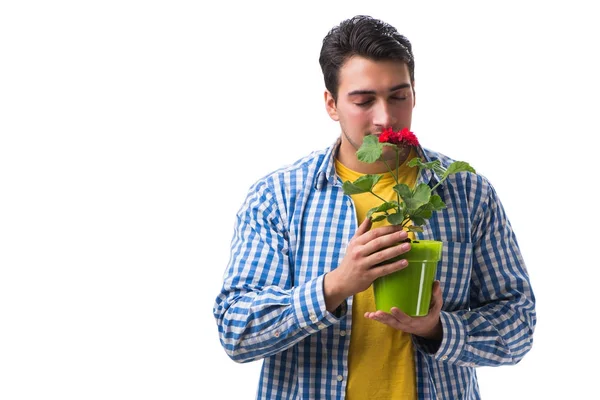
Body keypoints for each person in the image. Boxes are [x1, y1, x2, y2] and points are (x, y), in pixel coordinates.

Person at [213, 15, 536, 400]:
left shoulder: (466, 193)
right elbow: (237, 331)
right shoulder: (279, 196)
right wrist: (336, 286)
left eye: (399, 96)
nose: (384, 118)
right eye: (364, 100)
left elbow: (518, 324)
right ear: (332, 104)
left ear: (414, 93)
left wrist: (438, 329)